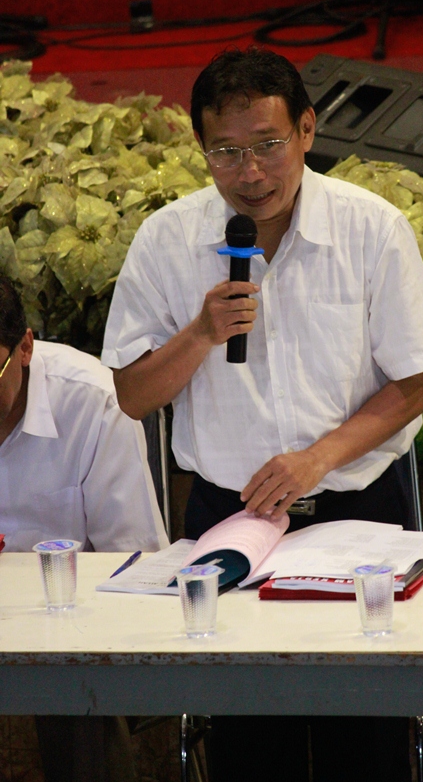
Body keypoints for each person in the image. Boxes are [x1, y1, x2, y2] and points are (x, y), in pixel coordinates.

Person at [102, 48, 423, 782]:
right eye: (226, 153)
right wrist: (200, 335)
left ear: (306, 130)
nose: (250, 173)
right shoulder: (167, 240)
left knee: (365, 745)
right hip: (226, 521)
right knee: (249, 744)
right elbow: (133, 396)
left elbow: (417, 383)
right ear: (201, 147)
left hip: (359, 514)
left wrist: (316, 459)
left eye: (268, 145)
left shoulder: (370, 228)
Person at [0, 275, 169, 782]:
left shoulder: (93, 402)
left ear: (25, 348)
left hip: (68, 627)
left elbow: (135, 563)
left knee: (75, 695)